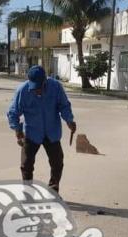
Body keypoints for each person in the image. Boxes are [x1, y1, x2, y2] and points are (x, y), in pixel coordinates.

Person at [7, 65, 76, 193]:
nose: (37, 91)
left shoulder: (55, 87)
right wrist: (17, 130)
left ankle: (53, 190)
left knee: (57, 163)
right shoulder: (22, 91)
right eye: (34, 88)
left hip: (52, 132)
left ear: (45, 81)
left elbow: (64, 105)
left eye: (39, 87)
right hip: (32, 132)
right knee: (26, 165)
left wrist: (69, 120)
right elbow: (13, 113)